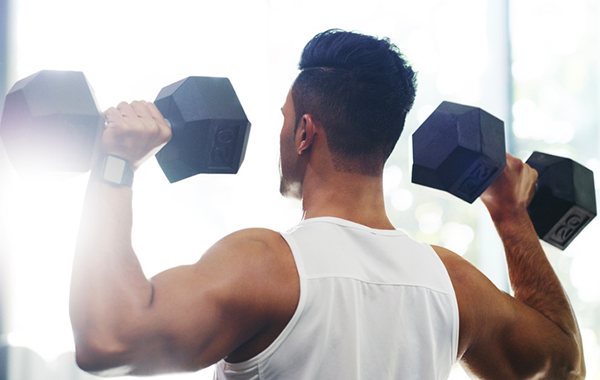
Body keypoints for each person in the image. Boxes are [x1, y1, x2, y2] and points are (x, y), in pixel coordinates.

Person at [69, 29, 586, 379]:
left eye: (284, 118)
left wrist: (115, 164)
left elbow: (109, 338)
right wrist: (510, 215)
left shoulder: (265, 266)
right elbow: (564, 366)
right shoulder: (452, 285)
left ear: (304, 133)